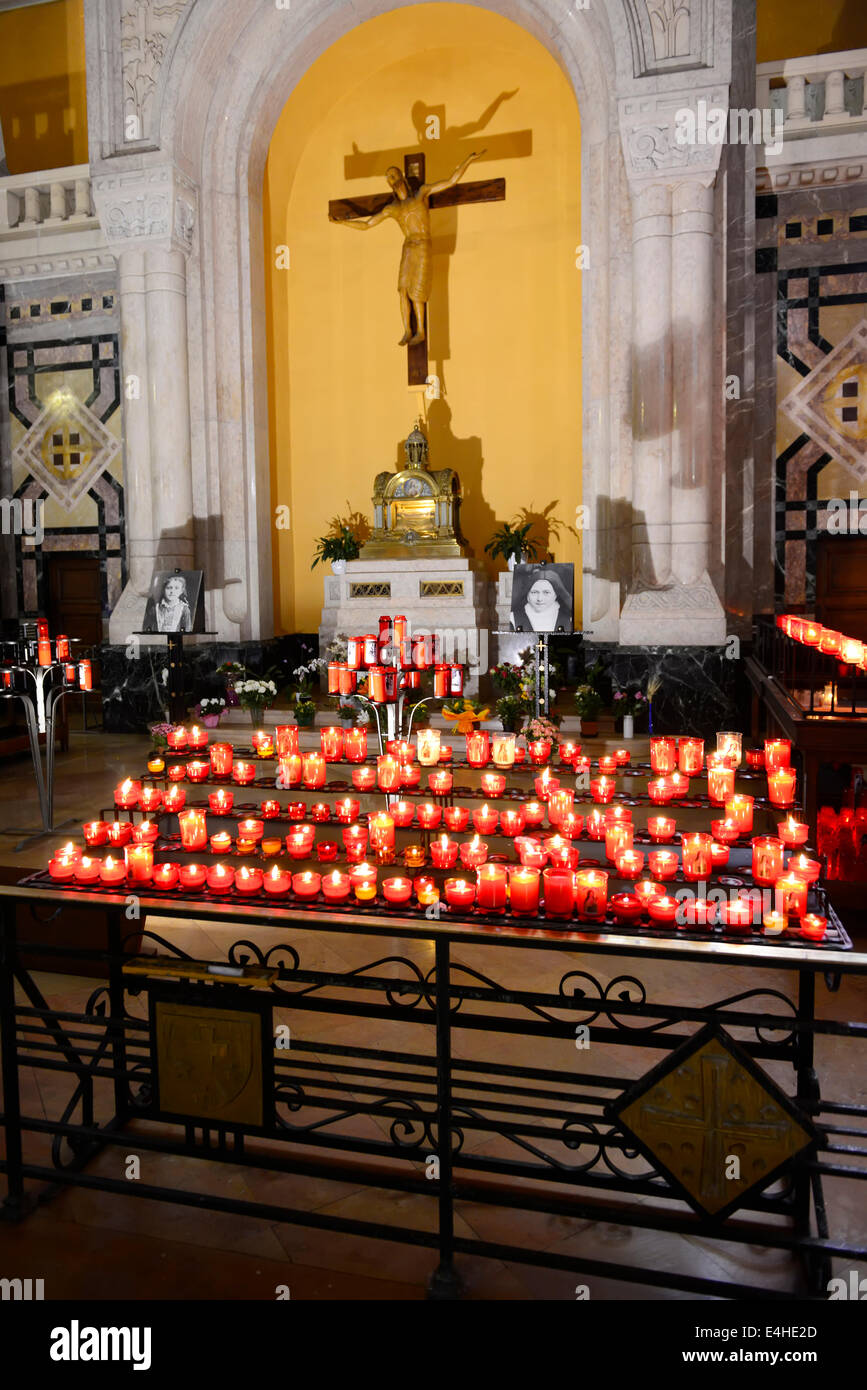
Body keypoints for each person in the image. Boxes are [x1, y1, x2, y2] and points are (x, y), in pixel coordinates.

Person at [330, 150, 485, 346]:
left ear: (402, 176)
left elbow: (451, 181)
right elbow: (367, 225)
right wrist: (342, 223)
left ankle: (420, 330)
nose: (391, 179)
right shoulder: (392, 209)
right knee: (402, 290)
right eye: (388, 178)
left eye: (393, 174)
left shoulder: (421, 194)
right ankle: (407, 330)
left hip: (422, 245)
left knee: (416, 291)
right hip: (408, 247)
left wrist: (468, 160)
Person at [510, 567, 572, 633]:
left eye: (546, 592)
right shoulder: (513, 618)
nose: (539, 599)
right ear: (527, 594)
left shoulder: (569, 619)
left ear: (555, 595)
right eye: (534, 592)